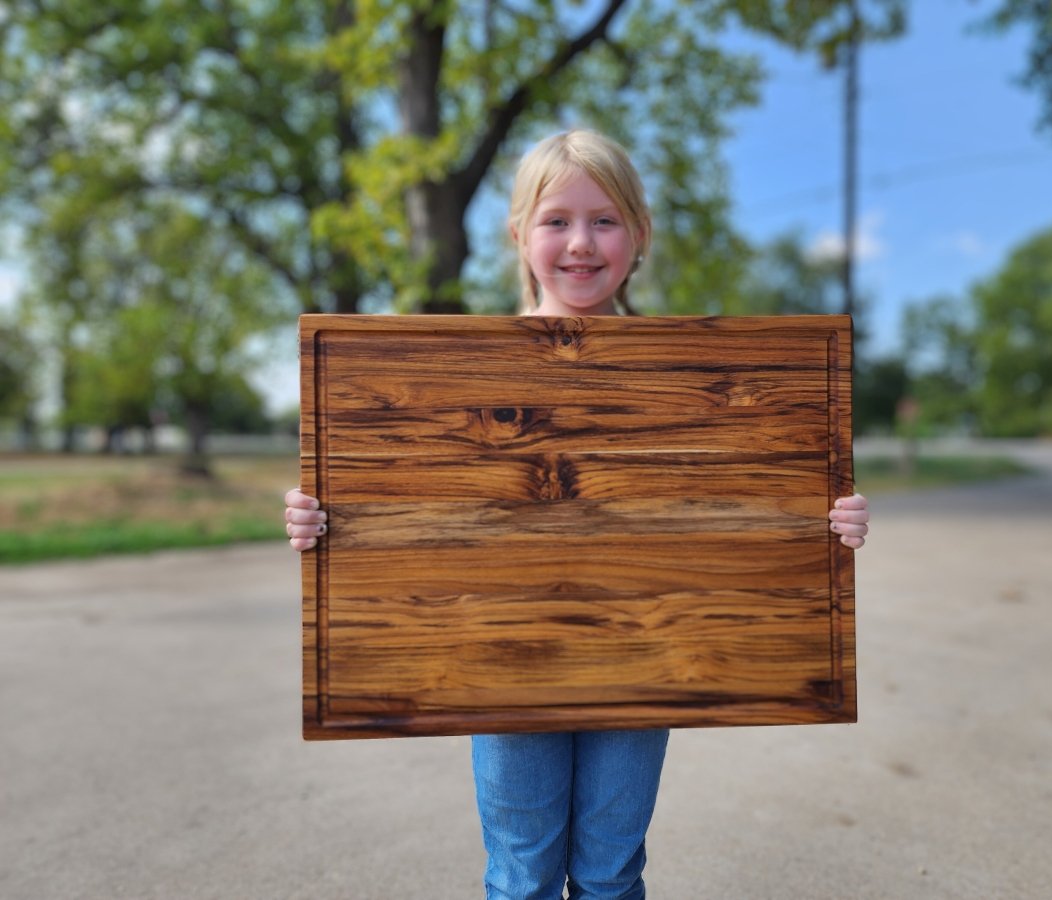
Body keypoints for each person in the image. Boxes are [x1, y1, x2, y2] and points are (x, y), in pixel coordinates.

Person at [283, 129, 871, 900]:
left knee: (609, 872)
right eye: (557, 219)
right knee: (522, 873)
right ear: (519, 234)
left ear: (639, 234)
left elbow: (748, 501)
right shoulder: (448, 371)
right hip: (504, 658)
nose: (581, 243)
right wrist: (317, 520)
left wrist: (831, 523)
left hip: (641, 652)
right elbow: (390, 497)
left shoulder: (692, 380)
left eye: (605, 220)